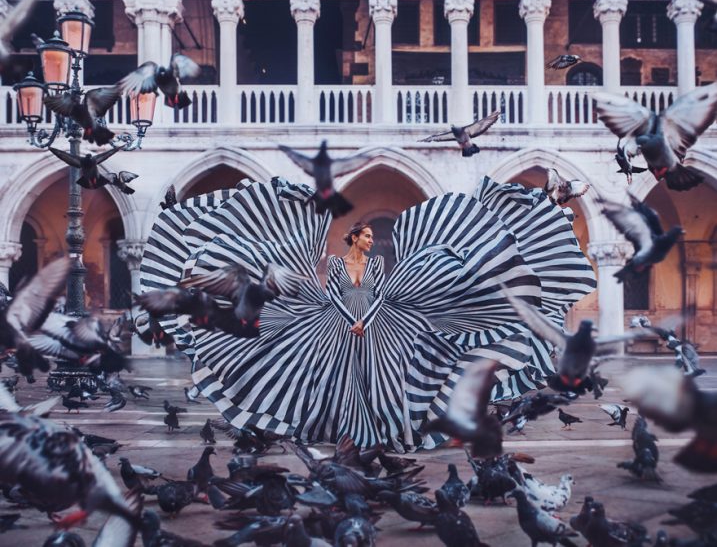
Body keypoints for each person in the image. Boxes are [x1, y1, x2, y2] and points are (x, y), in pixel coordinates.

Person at [140, 176, 595, 451]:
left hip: (378, 327)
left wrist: (371, 314)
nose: (372, 242)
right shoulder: (338, 264)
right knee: (337, 380)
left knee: (379, 380)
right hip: (335, 326)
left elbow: (379, 292)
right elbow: (333, 293)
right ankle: (338, 428)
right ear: (354, 239)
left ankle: (377, 429)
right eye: (365, 238)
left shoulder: (378, 266)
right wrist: (348, 314)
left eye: (372, 240)